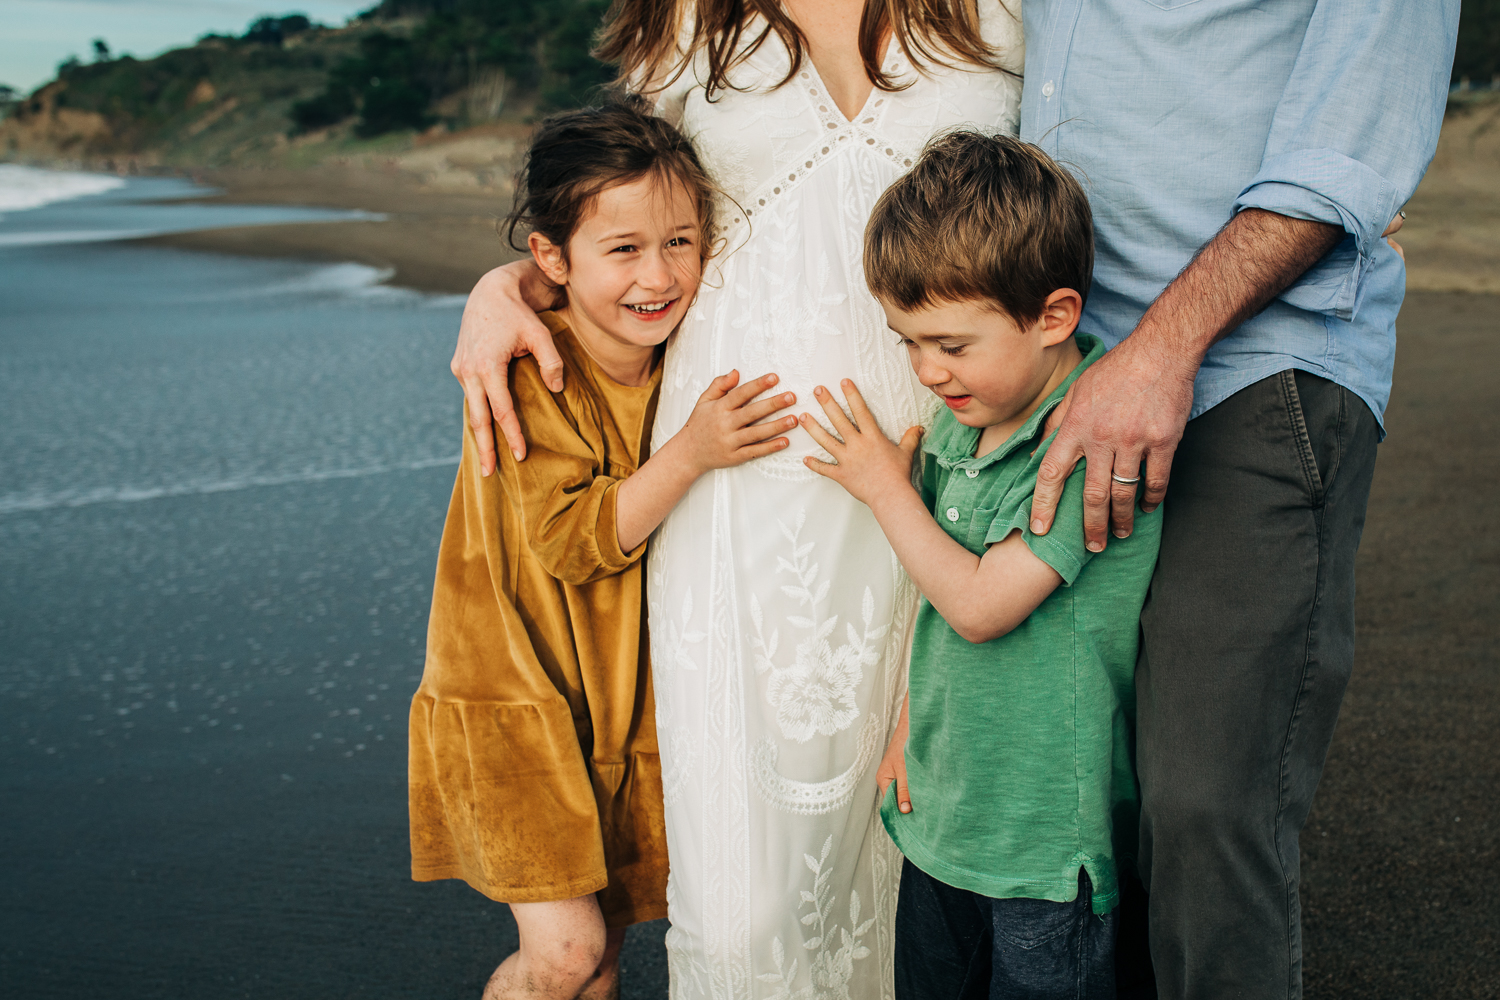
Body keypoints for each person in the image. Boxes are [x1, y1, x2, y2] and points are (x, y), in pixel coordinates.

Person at [449, 2, 1024, 996]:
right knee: (750, 877)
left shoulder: (1006, 12)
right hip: (735, 497)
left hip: (944, 470)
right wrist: (506, 286)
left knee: (921, 851)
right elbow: (611, 210)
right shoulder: (687, 21)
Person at [1015, 3, 1461, 998]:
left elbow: (1344, 152)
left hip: (1245, 367)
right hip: (1058, 368)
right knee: (1083, 801)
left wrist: (1162, 350)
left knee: (1206, 806)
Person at [407, 99, 798, 1000]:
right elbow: (574, 540)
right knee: (566, 954)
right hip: (514, 696)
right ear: (551, 259)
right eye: (621, 250)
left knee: (607, 954)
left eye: (681, 242)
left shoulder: (681, 354)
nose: (657, 276)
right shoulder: (531, 371)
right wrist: (691, 451)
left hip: (616, 710)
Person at [800, 130, 1161, 999]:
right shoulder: (966, 419)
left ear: (1053, 317)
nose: (928, 372)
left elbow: (977, 606)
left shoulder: (1088, 440)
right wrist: (906, 735)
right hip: (948, 814)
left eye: (951, 346)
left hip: (1044, 840)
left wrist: (888, 488)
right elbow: (937, 620)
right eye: (907, 343)